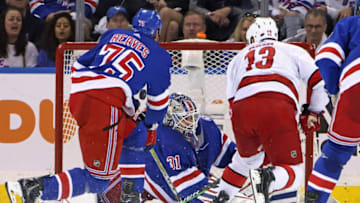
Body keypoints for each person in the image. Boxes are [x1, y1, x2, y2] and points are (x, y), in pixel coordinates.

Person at [5, 8, 171, 203]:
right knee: (98, 181)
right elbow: (158, 104)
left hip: (80, 93)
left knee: (135, 132)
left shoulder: (113, 33)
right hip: (104, 105)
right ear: (157, 32)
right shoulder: (160, 55)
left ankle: (130, 195)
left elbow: (103, 62)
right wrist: (152, 126)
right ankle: (31, 190)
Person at [212, 17, 328, 202]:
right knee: (293, 170)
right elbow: (320, 84)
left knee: (246, 161)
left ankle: (222, 197)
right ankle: (270, 178)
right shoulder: (292, 50)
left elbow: (232, 103)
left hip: (242, 111)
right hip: (276, 105)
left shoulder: (238, 58)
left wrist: (255, 134)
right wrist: (313, 111)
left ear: (251, 39)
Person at [97, 93, 237, 203]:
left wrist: (246, 161)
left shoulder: (206, 128)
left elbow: (232, 154)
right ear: (170, 118)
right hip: (138, 182)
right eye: (185, 119)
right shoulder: (167, 138)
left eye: (193, 117)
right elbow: (190, 189)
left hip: (165, 180)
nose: (192, 123)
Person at [305, 16, 360, 203]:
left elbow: (326, 58)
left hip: (356, 85)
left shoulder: (352, 23)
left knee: (335, 155)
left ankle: (316, 199)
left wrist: (333, 90)